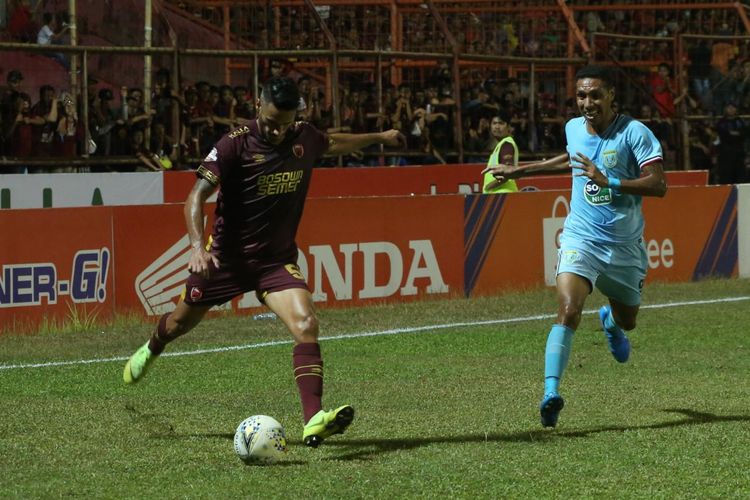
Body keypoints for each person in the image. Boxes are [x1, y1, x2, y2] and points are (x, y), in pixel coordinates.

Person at [122, 76, 406, 447]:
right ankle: (152, 347)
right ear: (258, 105)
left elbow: (334, 142)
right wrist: (196, 247)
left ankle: (313, 419)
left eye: (284, 123)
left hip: (274, 261)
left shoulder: (303, 137)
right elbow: (195, 196)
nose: (276, 130)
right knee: (177, 324)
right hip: (224, 260)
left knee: (306, 324)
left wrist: (380, 138)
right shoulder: (233, 144)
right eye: (271, 121)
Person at [482, 65, 667, 428]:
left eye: (595, 95)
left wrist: (608, 180)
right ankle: (550, 392)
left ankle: (610, 323)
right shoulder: (572, 128)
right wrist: (520, 171)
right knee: (568, 309)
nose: (587, 102)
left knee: (628, 319)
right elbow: (569, 158)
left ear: (612, 95)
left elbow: (659, 185)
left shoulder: (635, 133)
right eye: (582, 95)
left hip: (624, 247)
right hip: (581, 237)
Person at [482, 111, 519, 193]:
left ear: (508, 127)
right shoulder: (500, 145)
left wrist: (488, 187)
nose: (497, 127)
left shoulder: (507, 145)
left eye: (501, 123)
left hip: (504, 197)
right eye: (494, 123)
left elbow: (507, 173)